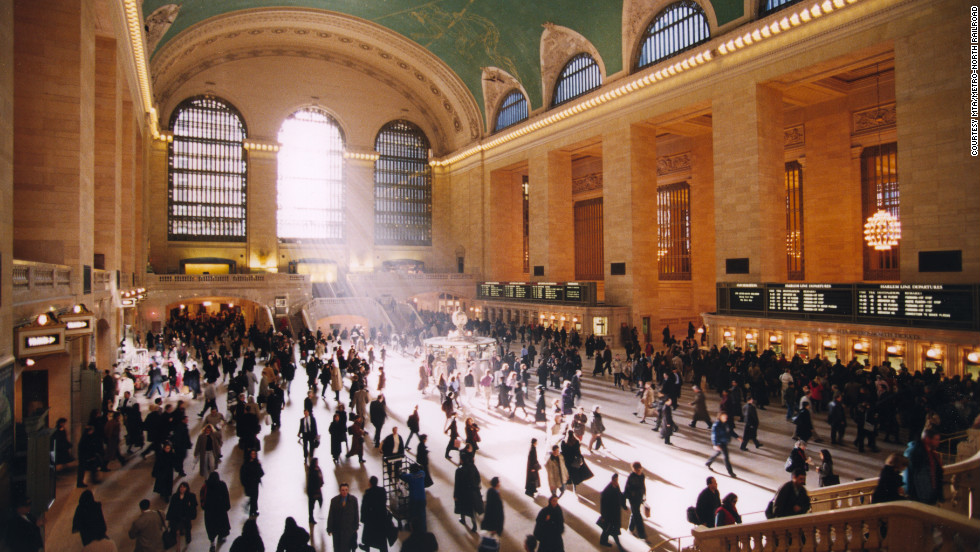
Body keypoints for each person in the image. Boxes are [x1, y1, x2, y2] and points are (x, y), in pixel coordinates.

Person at [904, 428, 944, 505]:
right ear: (927, 439)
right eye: (936, 440)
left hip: (930, 496)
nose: (938, 443)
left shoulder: (932, 453)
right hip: (920, 498)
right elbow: (910, 476)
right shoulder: (915, 453)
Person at [201, 471, 231, 551]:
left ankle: (212, 543)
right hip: (220, 511)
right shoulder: (222, 485)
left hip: (209, 513)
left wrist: (204, 508)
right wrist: (227, 507)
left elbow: (202, 499)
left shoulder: (206, 486)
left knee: (211, 529)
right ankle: (221, 537)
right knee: (221, 526)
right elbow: (226, 496)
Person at [327, 482, 360, 552]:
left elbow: (356, 514)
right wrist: (329, 528)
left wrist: (356, 527)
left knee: (347, 548)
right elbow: (331, 515)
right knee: (337, 548)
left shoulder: (353, 500)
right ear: (340, 490)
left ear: (348, 490)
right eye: (343, 490)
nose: (344, 492)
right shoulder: (334, 501)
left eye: (346, 490)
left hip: (348, 530)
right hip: (337, 530)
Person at [454, 454, 483, 532]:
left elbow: (457, 484)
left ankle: (462, 519)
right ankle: (474, 526)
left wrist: (455, 495)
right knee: (472, 510)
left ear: (462, 460)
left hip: (463, 493)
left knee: (463, 507)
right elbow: (478, 478)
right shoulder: (473, 467)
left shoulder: (459, 470)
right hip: (473, 492)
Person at [598, 473, 627, 551]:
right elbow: (603, 505)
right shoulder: (607, 491)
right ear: (612, 481)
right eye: (616, 480)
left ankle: (603, 541)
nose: (617, 482)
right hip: (610, 515)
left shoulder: (616, 486)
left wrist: (624, 506)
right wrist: (603, 516)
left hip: (614, 513)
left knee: (607, 529)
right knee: (613, 530)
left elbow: (620, 496)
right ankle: (619, 546)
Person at [360, 476, 390, 552]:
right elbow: (384, 502)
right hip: (381, 518)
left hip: (371, 519)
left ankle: (366, 547)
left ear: (370, 483)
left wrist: (363, 519)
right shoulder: (382, 490)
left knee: (368, 536)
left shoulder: (368, 493)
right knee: (382, 539)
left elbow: (364, 508)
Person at [167, 481, 198, 547]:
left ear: (187, 488)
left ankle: (188, 539)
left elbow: (194, 505)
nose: (182, 488)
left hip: (186, 516)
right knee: (176, 529)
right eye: (181, 487)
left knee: (187, 528)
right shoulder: (175, 496)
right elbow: (171, 507)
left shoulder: (191, 496)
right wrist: (169, 517)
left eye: (184, 487)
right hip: (177, 516)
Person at [706, 412, 738, 477]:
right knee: (726, 457)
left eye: (726, 417)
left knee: (718, 453)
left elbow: (730, 432)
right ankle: (731, 472)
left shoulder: (725, 424)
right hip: (720, 443)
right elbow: (714, 435)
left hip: (724, 442)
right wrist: (715, 444)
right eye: (724, 416)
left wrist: (737, 437)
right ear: (720, 417)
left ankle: (708, 462)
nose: (726, 418)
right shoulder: (716, 425)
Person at [623, 462, 647, 539]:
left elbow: (643, 486)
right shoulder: (631, 476)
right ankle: (642, 535)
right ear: (634, 469)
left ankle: (630, 529)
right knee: (637, 515)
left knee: (635, 513)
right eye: (637, 470)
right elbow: (627, 489)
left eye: (640, 469)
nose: (639, 471)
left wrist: (644, 495)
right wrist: (624, 502)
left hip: (639, 497)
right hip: (633, 499)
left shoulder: (642, 475)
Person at [240, 448, 265, 517]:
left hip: (255, 483)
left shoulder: (256, 463)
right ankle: (252, 511)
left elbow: (261, 473)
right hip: (249, 484)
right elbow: (243, 475)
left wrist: (259, 465)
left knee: (254, 497)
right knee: (253, 497)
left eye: (254, 454)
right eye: (252, 454)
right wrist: (245, 483)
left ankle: (253, 510)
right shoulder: (246, 464)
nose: (253, 455)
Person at [306, 457, 324, 524]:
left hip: (318, 489)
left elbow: (321, 475)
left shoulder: (318, 469)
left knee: (321, 500)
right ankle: (311, 518)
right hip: (313, 491)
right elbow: (311, 482)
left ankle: (319, 513)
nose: (317, 463)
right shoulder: (312, 471)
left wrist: (322, 482)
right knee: (311, 505)